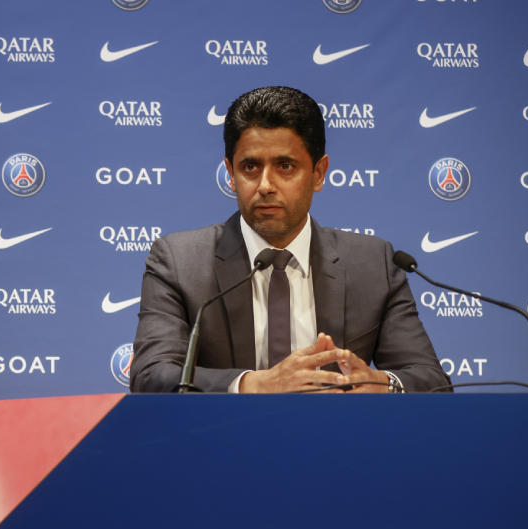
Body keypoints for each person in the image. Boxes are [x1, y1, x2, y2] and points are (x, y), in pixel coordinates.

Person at [130, 86, 448, 394]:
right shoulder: (179, 261)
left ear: (319, 173)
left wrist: (380, 385)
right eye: (250, 167)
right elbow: (152, 375)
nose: (266, 185)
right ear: (230, 173)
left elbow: (430, 380)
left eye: (285, 166)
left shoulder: (373, 263)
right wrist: (254, 384)